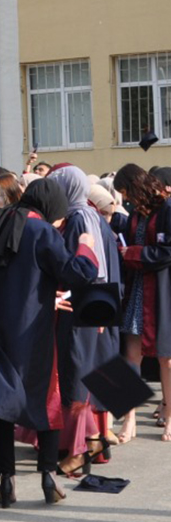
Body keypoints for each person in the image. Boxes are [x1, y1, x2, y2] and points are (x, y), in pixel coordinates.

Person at [0, 179, 101, 505]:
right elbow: (77, 272)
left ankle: (7, 480)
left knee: (2, 405)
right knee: (46, 398)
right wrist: (86, 245)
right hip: (33, 331)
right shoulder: (41, 231)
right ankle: (48, 476)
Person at [47, 165, 123, 475]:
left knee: (79, 376)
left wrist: (96, 311)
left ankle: (81, 450)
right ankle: (96, 441)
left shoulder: (79, 217)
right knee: (95, 371)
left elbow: (90, 268)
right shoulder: (90, 214)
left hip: (86, 309)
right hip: (96, 307)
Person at [111, 163, 171, 443]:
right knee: (129, 357)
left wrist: (131, 252)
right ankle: (129, 418)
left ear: (135, 186)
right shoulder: (135, 212)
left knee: (166, 359)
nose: (125, 198)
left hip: (162, 290)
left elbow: (167, 251)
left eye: (125, 191)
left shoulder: (167, 208)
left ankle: (169, 415)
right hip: (138, 289)